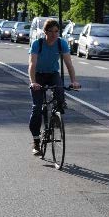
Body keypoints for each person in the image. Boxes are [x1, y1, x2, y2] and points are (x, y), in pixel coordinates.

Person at [28, 18, 81, 155]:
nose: (54, 34)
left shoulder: (61, 44)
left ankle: (56, 117)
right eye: (51, 31)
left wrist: (74, 81)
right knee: (37, 108)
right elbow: (32, 65)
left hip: (52, 74)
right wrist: (33, 82)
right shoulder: (37, 44)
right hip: (38, 75)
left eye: (57, 31)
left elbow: (69, 64)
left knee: (60, 93)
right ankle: (36, 141)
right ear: (45, 32)